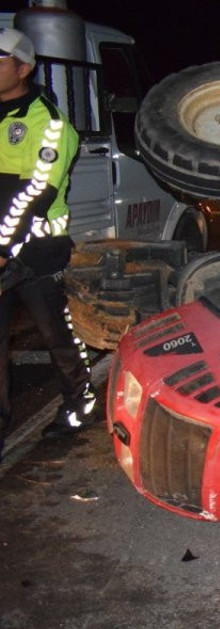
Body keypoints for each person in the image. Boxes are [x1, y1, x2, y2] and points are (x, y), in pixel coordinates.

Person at [0, 28, 96, 458]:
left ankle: (79, 404)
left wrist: (3, 247)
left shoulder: (50, 123)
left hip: (36, 250)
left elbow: (36, 193)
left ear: (24, 68)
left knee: (57, 335)